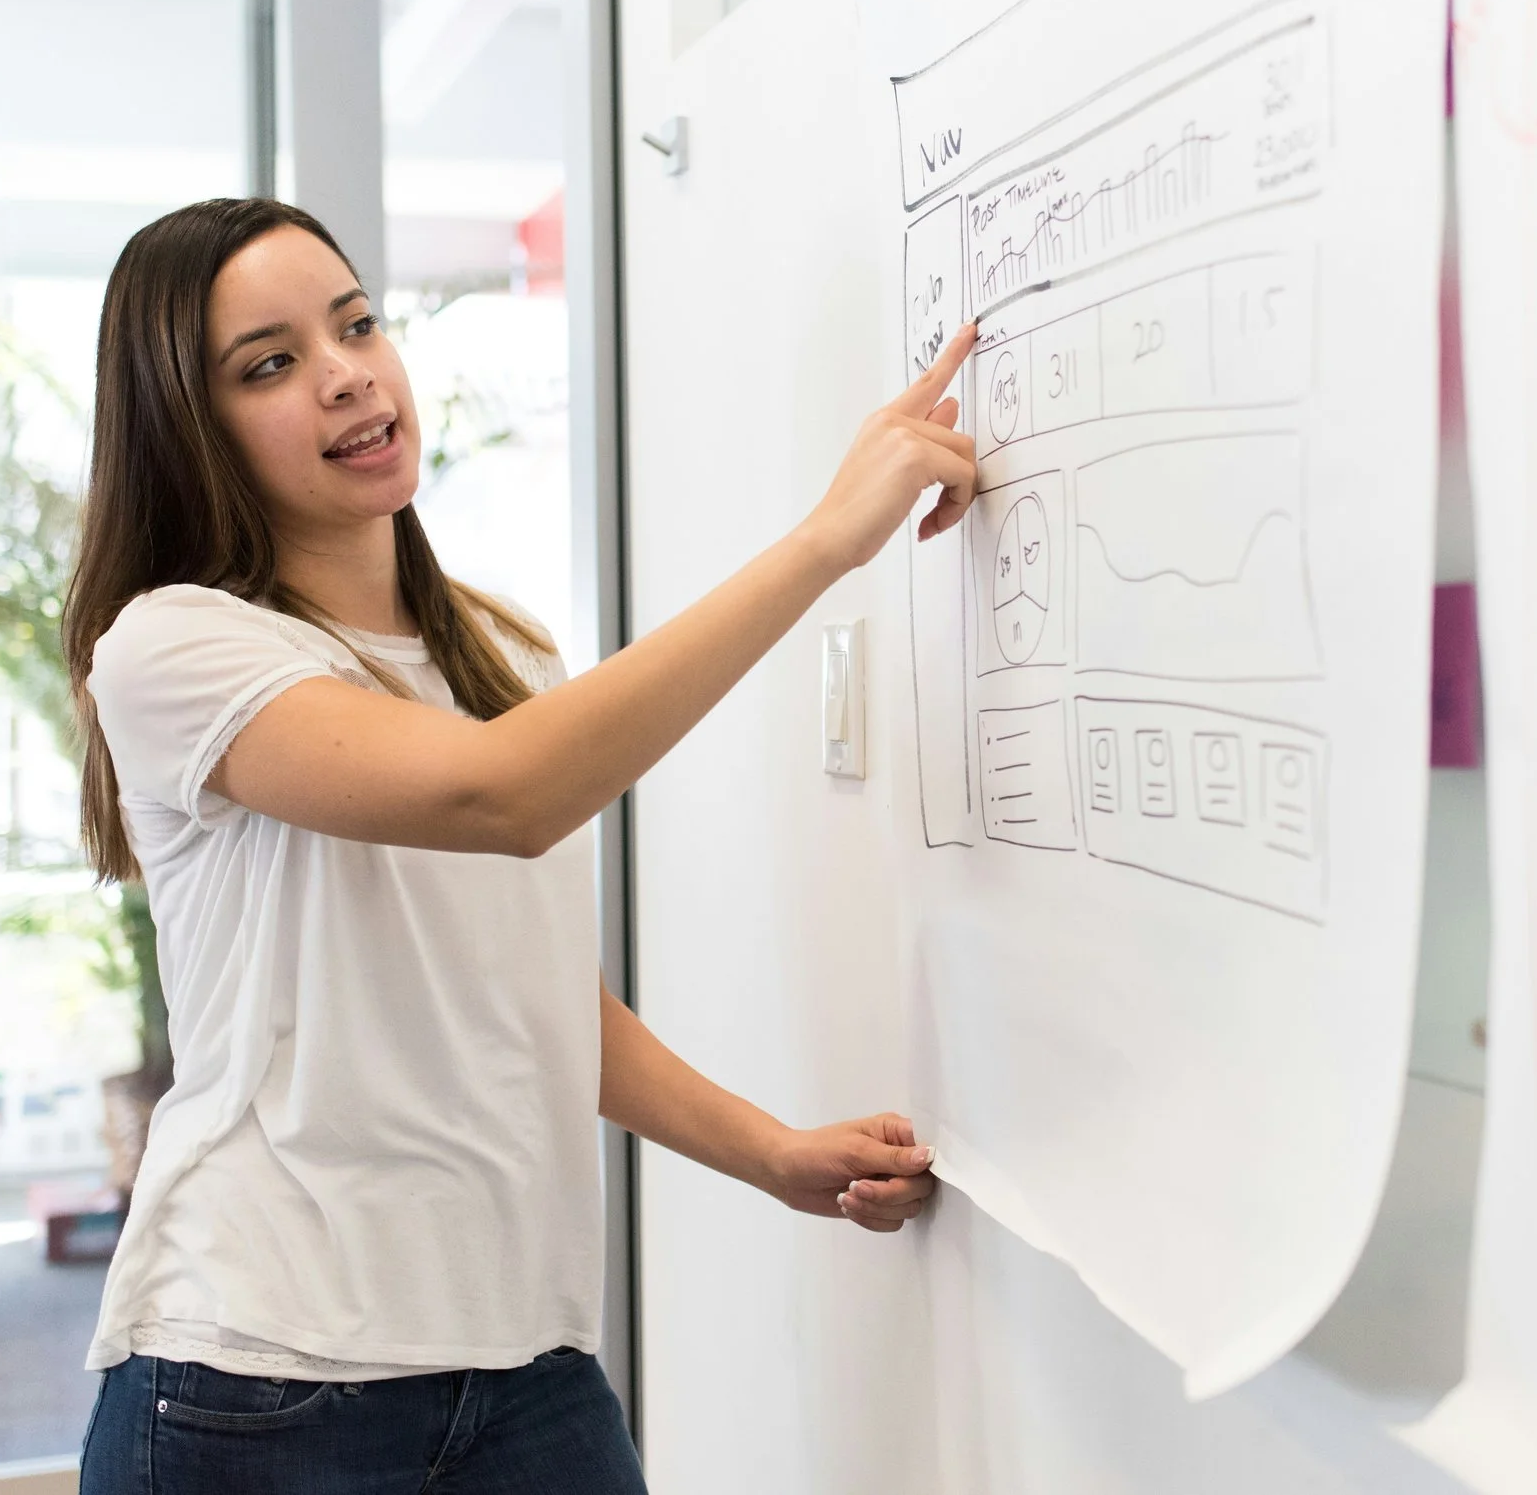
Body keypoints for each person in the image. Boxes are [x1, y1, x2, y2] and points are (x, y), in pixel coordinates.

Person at [64, 197, 978, 1494]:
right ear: (190, 429)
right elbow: (505, 797)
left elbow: (527, 997)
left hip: (526, 1370)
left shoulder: (498, 658)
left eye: (356, 324)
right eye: (268, 365)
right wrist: (831, 541)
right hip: (258, 1380)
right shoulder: (174, 648)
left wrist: (769, 1154)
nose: (345, 376)